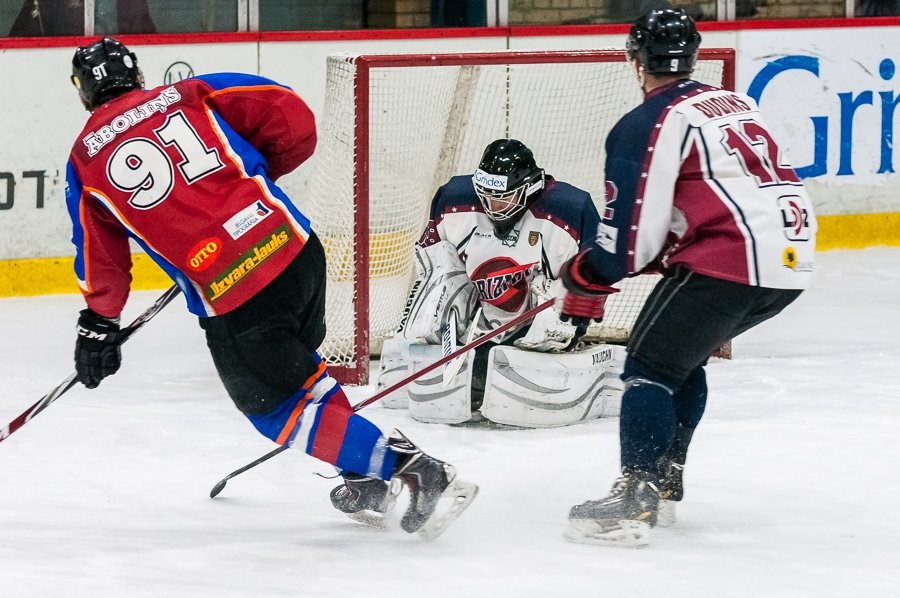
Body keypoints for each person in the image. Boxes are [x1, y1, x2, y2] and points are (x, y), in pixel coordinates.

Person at [64, 37, 477, 539]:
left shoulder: (85, 158)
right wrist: (249, 183)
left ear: (84, 94)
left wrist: (99, 324)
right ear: (137, 74)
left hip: (236, 294)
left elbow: (102, 263)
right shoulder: (189, 95)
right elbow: (292, 114)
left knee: (277, 408)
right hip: (297, 252)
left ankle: (412, 470)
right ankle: (363, 479)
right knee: (301, 376)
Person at [551, 8, 816, 546]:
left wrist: (588, 272)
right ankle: (664, 479)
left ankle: (635, 494)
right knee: (680, 355)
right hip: (791, 259)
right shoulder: (735, 102)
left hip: (730, 257)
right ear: (692, 57)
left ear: (635, 61)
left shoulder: (646, 122)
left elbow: (629, 235)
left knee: (648, 365)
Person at [379, 139, 618, 428]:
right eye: (486, 196)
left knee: (549, 299)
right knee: (439, 275)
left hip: (536, 318)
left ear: (529, 189)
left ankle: (525, 355)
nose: (492, 206)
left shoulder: (570, 210)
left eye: (502, 197)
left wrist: (573, 309)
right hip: (477, 318)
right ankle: (464, 356)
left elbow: (593, 274)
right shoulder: (453, 200)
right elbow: (431, 264)